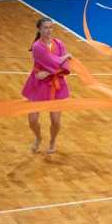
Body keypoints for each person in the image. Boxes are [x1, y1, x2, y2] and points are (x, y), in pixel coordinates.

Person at [22, 18, 72, 154]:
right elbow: (53, 61)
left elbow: (66, 66)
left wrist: (50, 71)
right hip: (38, 84)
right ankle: (38, 138)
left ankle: (52, 140)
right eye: (45, 27)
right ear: (39, 29)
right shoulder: (37, 46)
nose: (48, 30)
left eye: (50, 27)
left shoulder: (59, 43)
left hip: (56, 85)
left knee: (56, 121)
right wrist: (64, 58)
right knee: (32, 120)